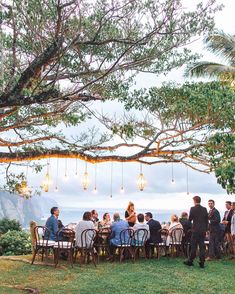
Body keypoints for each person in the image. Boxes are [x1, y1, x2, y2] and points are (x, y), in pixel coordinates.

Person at [184, 196, 208, 268]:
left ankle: (190, 261)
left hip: (195, 230)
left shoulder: (193, 208)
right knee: (202, 247)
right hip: (203, 230)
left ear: (194, 201)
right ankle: (202, 262)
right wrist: (206, 229)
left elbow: (190, 219)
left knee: (193, 246)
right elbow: (207, 220)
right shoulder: (204, 209)